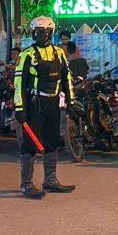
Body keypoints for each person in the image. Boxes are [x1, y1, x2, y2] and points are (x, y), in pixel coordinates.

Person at [14, 15, 75, 199]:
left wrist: (71, 100)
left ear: (50, 32)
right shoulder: (27, 54)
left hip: (53, 104)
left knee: (52, 141)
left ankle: (50, 180)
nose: (40, 35)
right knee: (30, 144)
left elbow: (66, 78)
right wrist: (20, 107)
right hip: (34, 105)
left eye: (43, 31)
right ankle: (26, 184)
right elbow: (19, 82)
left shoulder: (59, 53)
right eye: (36, 31)